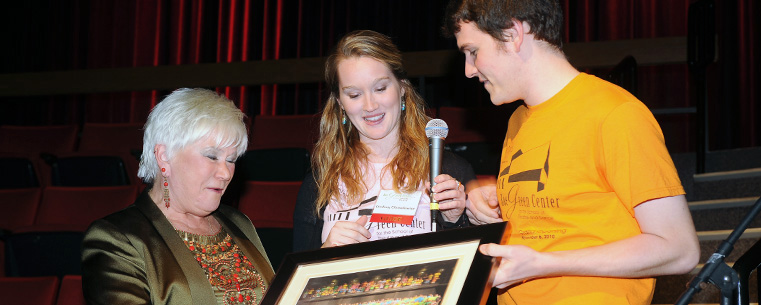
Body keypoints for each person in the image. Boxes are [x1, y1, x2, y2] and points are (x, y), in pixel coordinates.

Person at [442, 1, 700, 304]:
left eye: (473, 52)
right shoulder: (518, 120)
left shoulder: (615, 112)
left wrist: (545, 264)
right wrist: (491, 212)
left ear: (512, 34)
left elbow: (679, 249)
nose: (469, 70)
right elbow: (551, 226)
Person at [82, 88, 274, 305]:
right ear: (164, 157)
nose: (226, 173)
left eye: (231, 160)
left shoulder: (238, 222)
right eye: (212, 156)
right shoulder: (116, 238)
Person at [293, 30, 477, 251]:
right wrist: (327, 253)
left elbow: (470, 268)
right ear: (340, 103)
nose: (370, 106)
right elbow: (298, 274)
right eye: (354, 95)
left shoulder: (448, 170)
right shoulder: (320, 181)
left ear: (403, 88)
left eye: (380, 88)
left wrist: (455, 220)